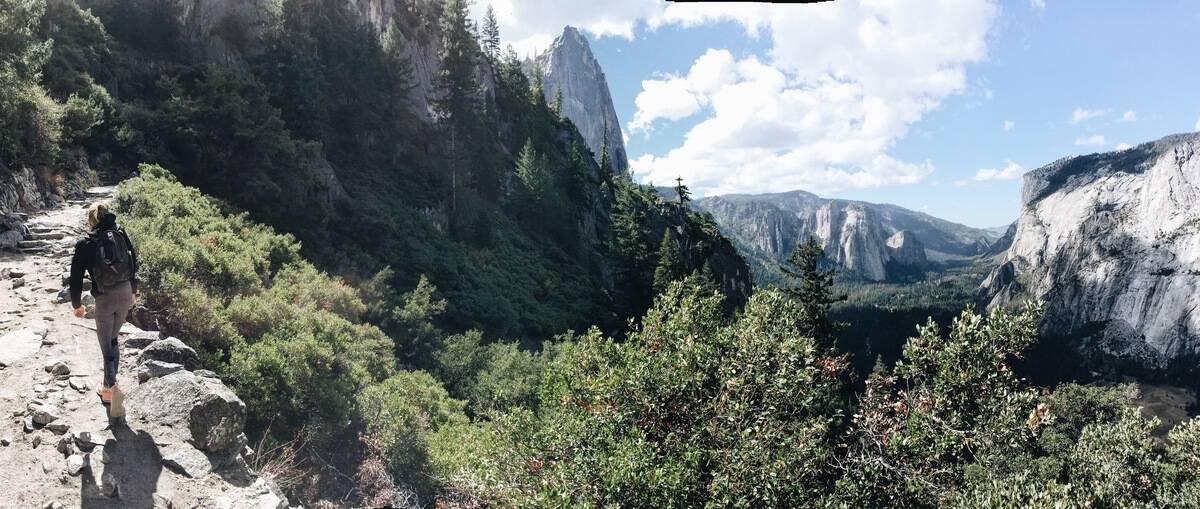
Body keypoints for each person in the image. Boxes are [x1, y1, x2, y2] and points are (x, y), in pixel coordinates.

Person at [69, 202, 138, 404]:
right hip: (125, 290)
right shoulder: (121, 235)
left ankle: (109, 389)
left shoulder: (86, 243)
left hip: (105, 297)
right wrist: (133, 290)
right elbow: (134, 262)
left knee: (106, 344)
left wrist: (77, 305)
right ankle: (112, 384)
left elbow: (76, 277)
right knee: (114, 339)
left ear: (91, 220)